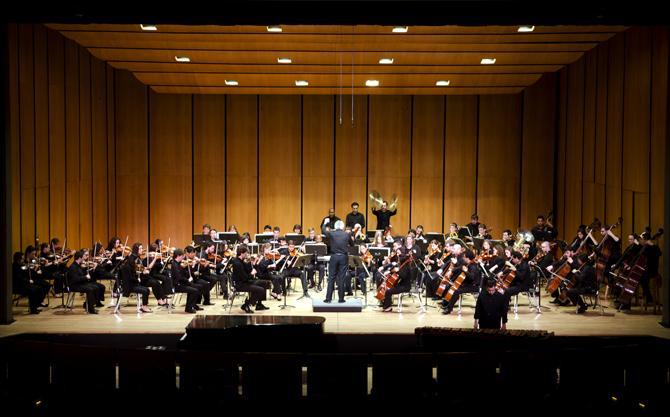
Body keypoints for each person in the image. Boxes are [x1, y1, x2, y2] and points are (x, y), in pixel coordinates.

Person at [231, 245, 272, 313]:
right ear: (242, 253)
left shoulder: (241, 261)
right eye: (246, 253)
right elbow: (245, 278)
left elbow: (248, 270)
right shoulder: (237, 263)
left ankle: (259, 305)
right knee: (260, 290)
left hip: (245, 281)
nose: (247, 254)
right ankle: (247, 304)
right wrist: (252, 274)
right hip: (240, 284)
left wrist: (252, 262)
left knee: (264, 283)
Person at [324, 220, 350, 303]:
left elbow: (324, 230)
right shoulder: (347, 234)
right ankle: (341, 299)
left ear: (335, 227)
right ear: (343, 227)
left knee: (331, 277)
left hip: (334, 256)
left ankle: (328, 299)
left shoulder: (332, 233)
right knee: (341, 278)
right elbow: (352, 244)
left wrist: (325, 223)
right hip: (343, 257)